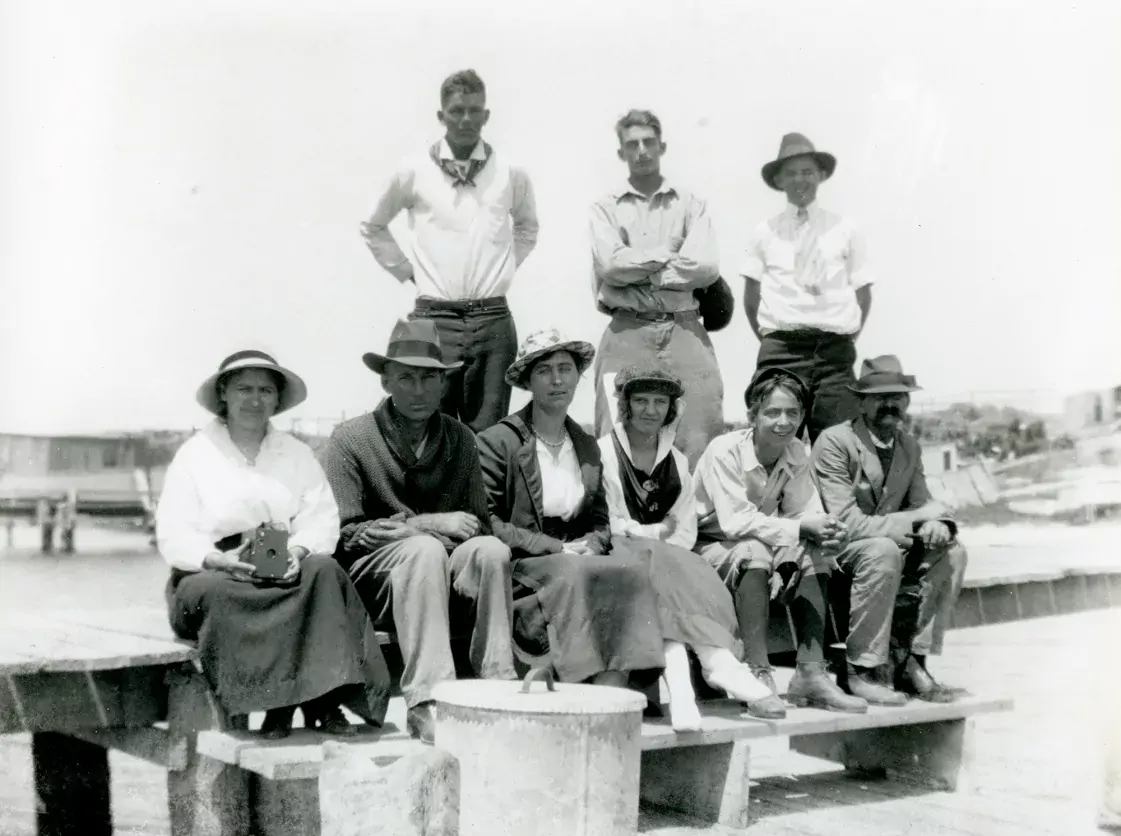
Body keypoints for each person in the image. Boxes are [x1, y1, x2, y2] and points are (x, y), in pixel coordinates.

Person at [157, 350, 388, 740]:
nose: (254, 399)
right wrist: (217, 559)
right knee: (230, 593)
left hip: (276, 558)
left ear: (277, 400)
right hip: (210, 571)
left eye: (265, 390)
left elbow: (321, 519)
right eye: (244, 388)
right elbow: (173, 533)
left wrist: (298, 552)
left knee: (324, 572)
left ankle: (324, 701)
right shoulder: (195, 455)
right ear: (224, 395)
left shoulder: (296, 453)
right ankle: (274, 704)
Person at [322, 319, 516, 745]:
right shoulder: (351, 439)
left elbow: (478, 521)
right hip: (373, 583)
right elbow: (345, 534)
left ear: (444, 383)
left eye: (429, 378)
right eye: (406, 378)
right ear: (386, 379)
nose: (418, 390)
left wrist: (451, 533)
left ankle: (500, 688)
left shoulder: (461, 438)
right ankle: (428, 702)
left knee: (491, 551)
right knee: (424, 548)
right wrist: (423, 526)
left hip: (439, 571)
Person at [475, 330, 665, 691]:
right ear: (528, 381)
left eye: (566, 368)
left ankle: (614, 687)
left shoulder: (586, 445)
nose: (558, 379)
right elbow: (489, 520)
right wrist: (557, 548)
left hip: (576, 555)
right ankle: (581, 687)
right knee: (573, 572)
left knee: (631, 574)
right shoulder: (498, 441)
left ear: (579, 377)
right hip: (525, 563)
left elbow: (599, 518)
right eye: (544, 370)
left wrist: (592, 543)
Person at [599, 363, 785, 728]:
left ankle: (707, 671)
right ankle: (703, 674)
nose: (651, 410)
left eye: (659, 402)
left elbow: (684, 531)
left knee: (683, 566)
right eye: (640, 400)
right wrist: (657, 530)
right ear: (625, 405)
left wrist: (653, 532)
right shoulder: (605, 453)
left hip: (664, 557)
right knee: (654, 564)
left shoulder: (677, 461)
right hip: (615, 554)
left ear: (671, 408)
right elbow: (613, 522)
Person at [359, 69, 539, 434]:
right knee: (427, 432)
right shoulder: (412, 170)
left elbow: (527, 226)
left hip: (492, 321)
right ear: (441, 116)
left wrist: (504, 266)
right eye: (457, 111)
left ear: (486, 115)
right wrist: (407, 271)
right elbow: (373, 226)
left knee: (488, 439)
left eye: (475, 110)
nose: (466, 119)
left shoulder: (510, 171)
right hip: (433, 320)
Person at [694, 368, 869, 713]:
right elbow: (734, 522)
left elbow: (806, 513)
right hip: (706, 546)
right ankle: (758, 676)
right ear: (752, 416)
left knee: (813, 547)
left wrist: (828, 531)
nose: (783, 422)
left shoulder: (797, 453)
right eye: (772, 412)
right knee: (757, 550)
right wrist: (801, 530)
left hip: (759, 542)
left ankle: (810, 674)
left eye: (793, 412)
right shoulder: (724, 450)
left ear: (804, 416)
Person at [812, 355, 968, 704]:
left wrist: (936, 524)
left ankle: (913, 661)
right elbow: (846, 523)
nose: (890, 404)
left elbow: (921, 503)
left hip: (884, 546)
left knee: (953, 553)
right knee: (881, 549)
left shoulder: (908, 445)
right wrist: (919, 519)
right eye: (880, 396)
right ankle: (861, 670)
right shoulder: (835, 441)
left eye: (898, 395)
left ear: (907, 401)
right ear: (862, 402)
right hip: (837, 548)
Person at [589, 109, 724, 468]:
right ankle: (617, 516)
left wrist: (641, 269)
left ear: (662, 146)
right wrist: (669, 256)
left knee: (701, 419)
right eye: (632, 144)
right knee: (614, 422)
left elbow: (706, 267)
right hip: (627, 327)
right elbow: (610, 265)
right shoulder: (605, 208)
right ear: (622, 153)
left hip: (684, 324)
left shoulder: (690, 204)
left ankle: (696, 517)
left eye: (649, 142)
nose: (642, 150)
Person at [741, 133, 874, 442]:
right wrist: (772, 337)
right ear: (779, 180)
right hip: (781, 353)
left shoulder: (845, 229)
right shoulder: (764, 232)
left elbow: (863, 294)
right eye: (791, 173)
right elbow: (751, 298)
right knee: (775, 444)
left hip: (834, 356)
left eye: (807, 171)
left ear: (821, 176)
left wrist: (845, 335)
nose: (800, 180)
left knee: (839, 446)